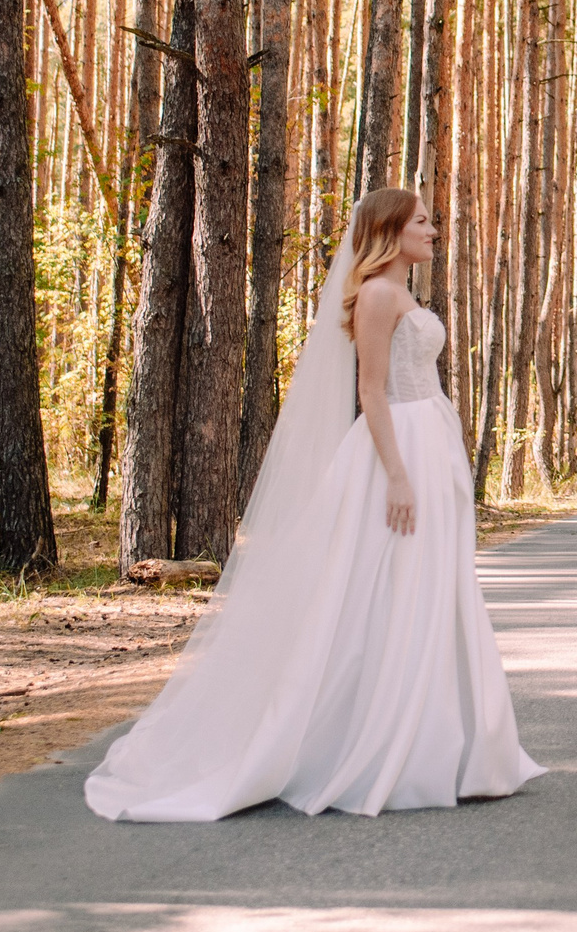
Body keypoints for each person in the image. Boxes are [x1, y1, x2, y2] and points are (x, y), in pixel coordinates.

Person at [84, 189, 545, 821]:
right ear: (390, 231)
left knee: (434, 587)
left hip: (429, 442)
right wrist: (398, 477)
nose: (433, 230)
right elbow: (372, 389)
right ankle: (387, 744)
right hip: (400, 449)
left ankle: (450, 745)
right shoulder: (381, 295)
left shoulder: (402, 292)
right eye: (421, 222)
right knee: (395, 588)